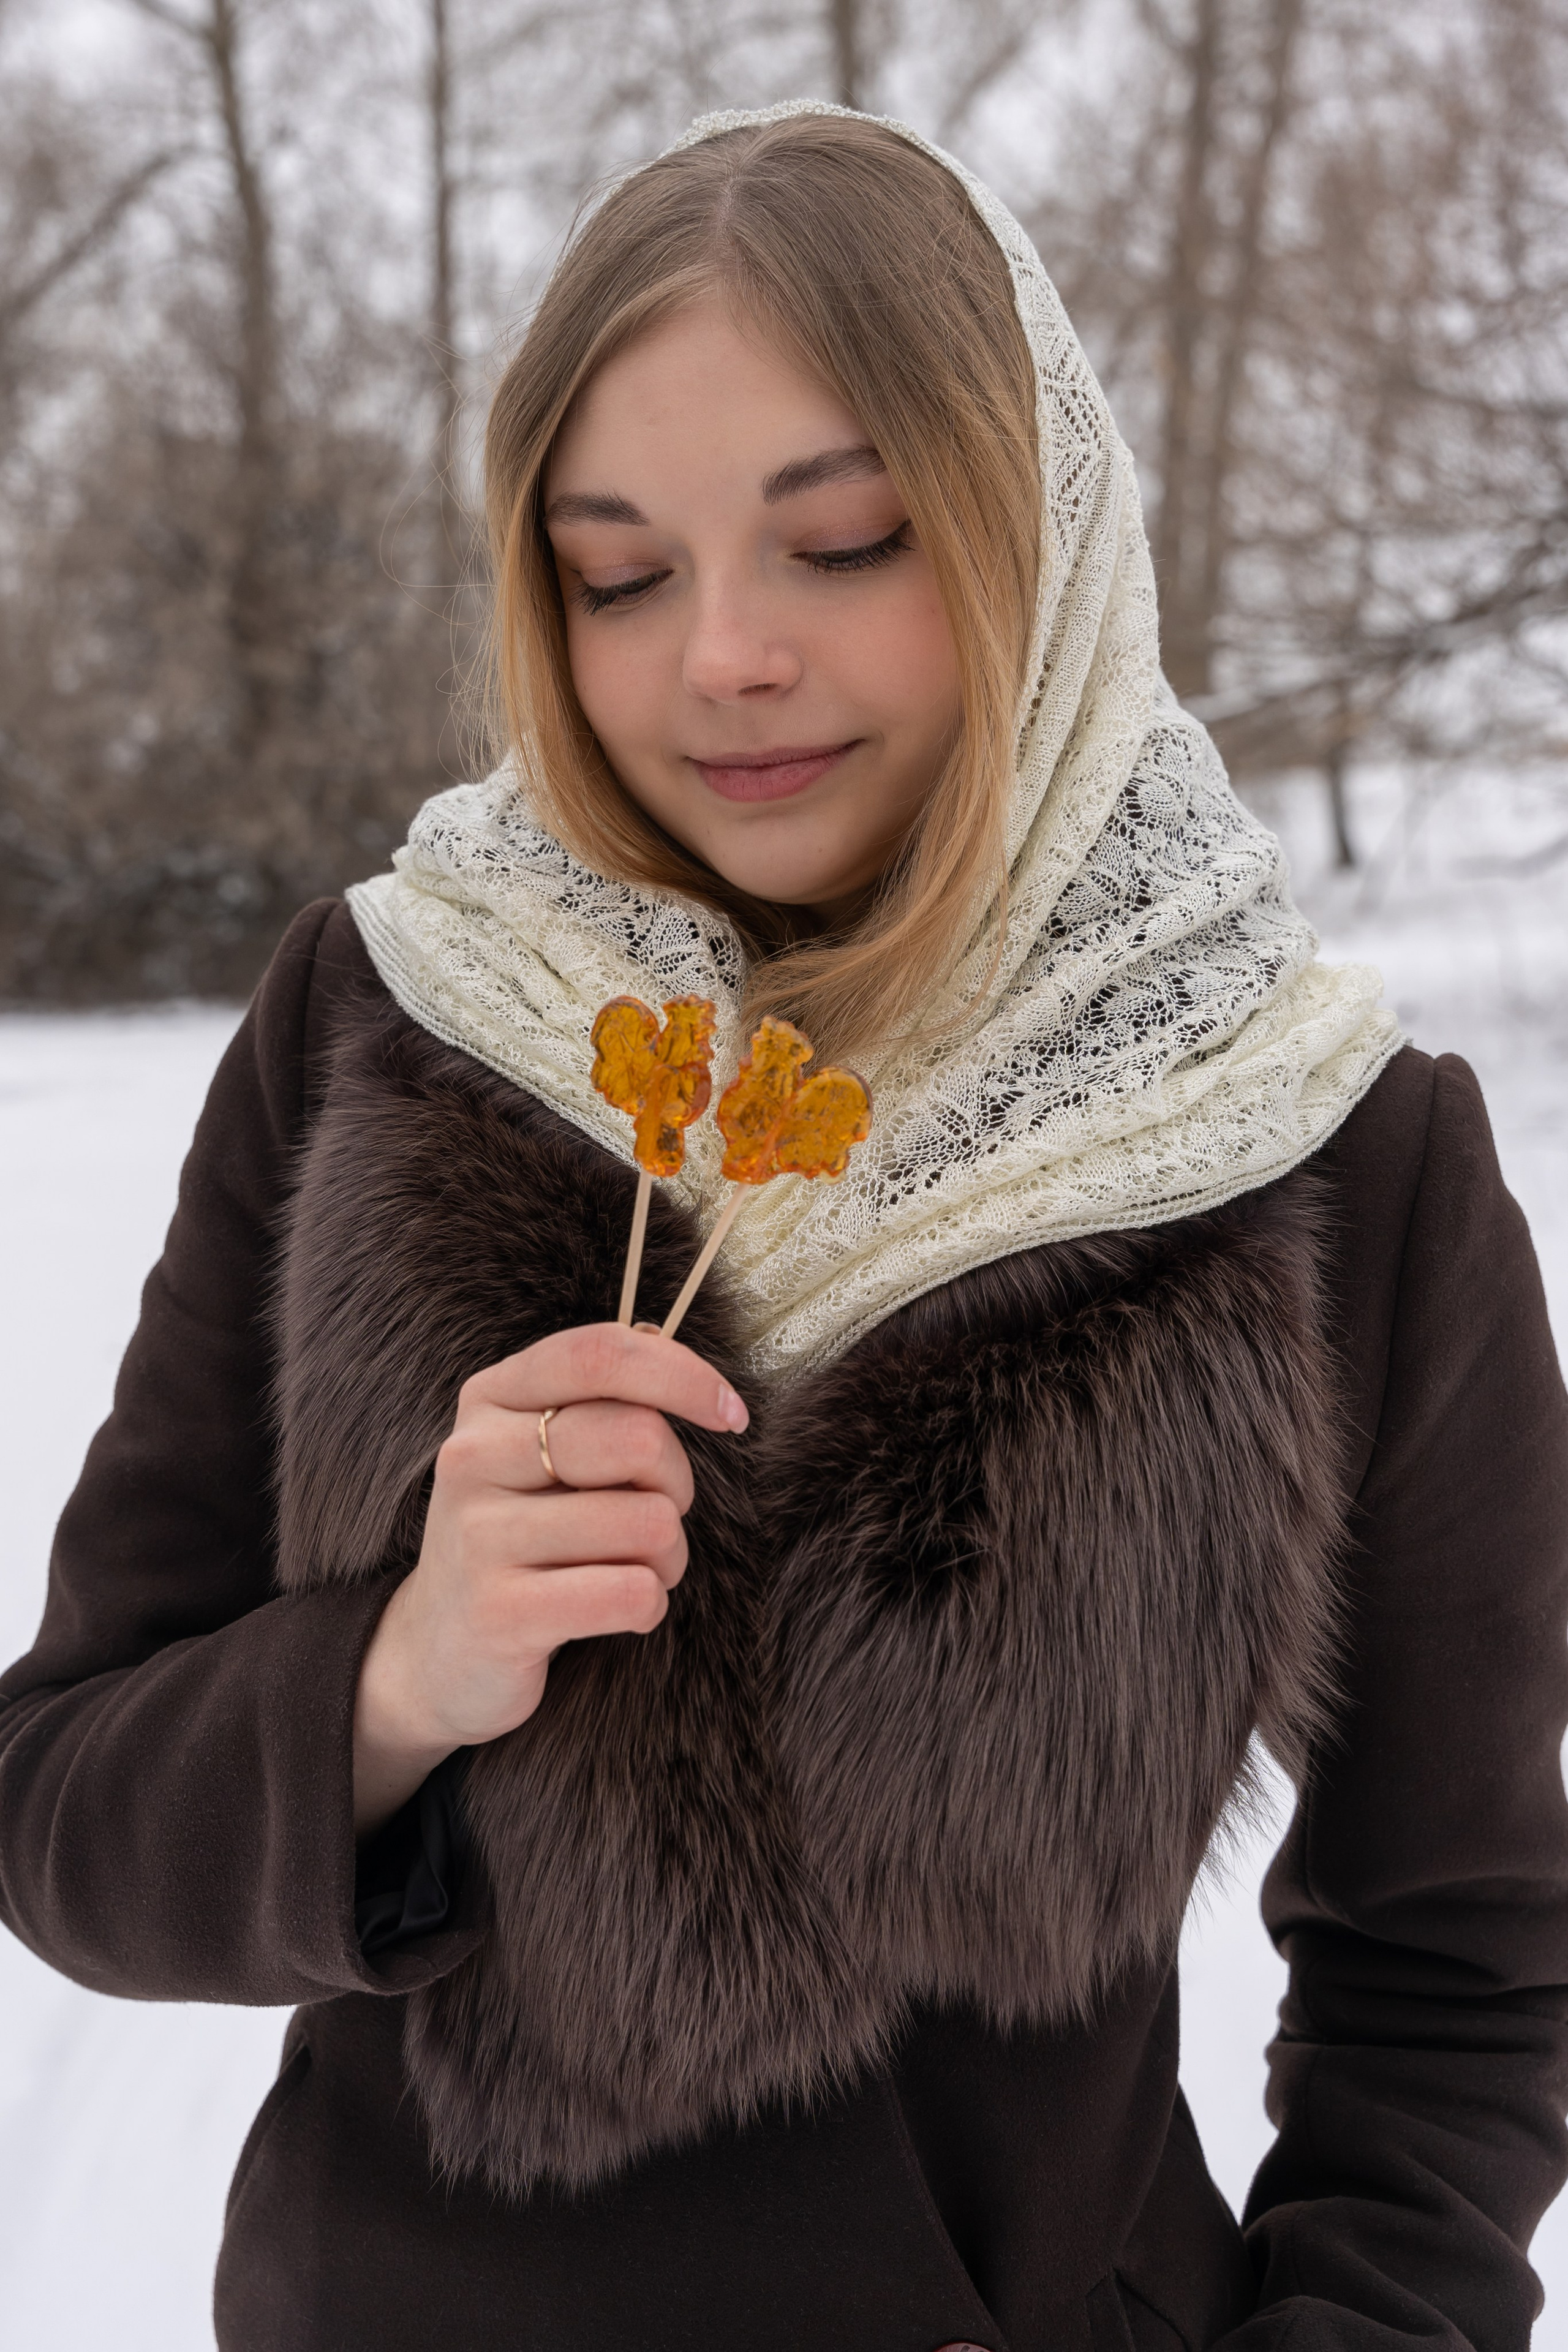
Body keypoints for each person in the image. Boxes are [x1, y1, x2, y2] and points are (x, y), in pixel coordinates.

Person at [2, 99, 1566, 2352]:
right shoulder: (389, 1018)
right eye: (618, 570)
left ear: (1039, 533)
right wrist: (392, 1681)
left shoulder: (1332, 1158)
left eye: (843, 542)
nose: (720, 653)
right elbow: (56, 1804)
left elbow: (1457, 1967)